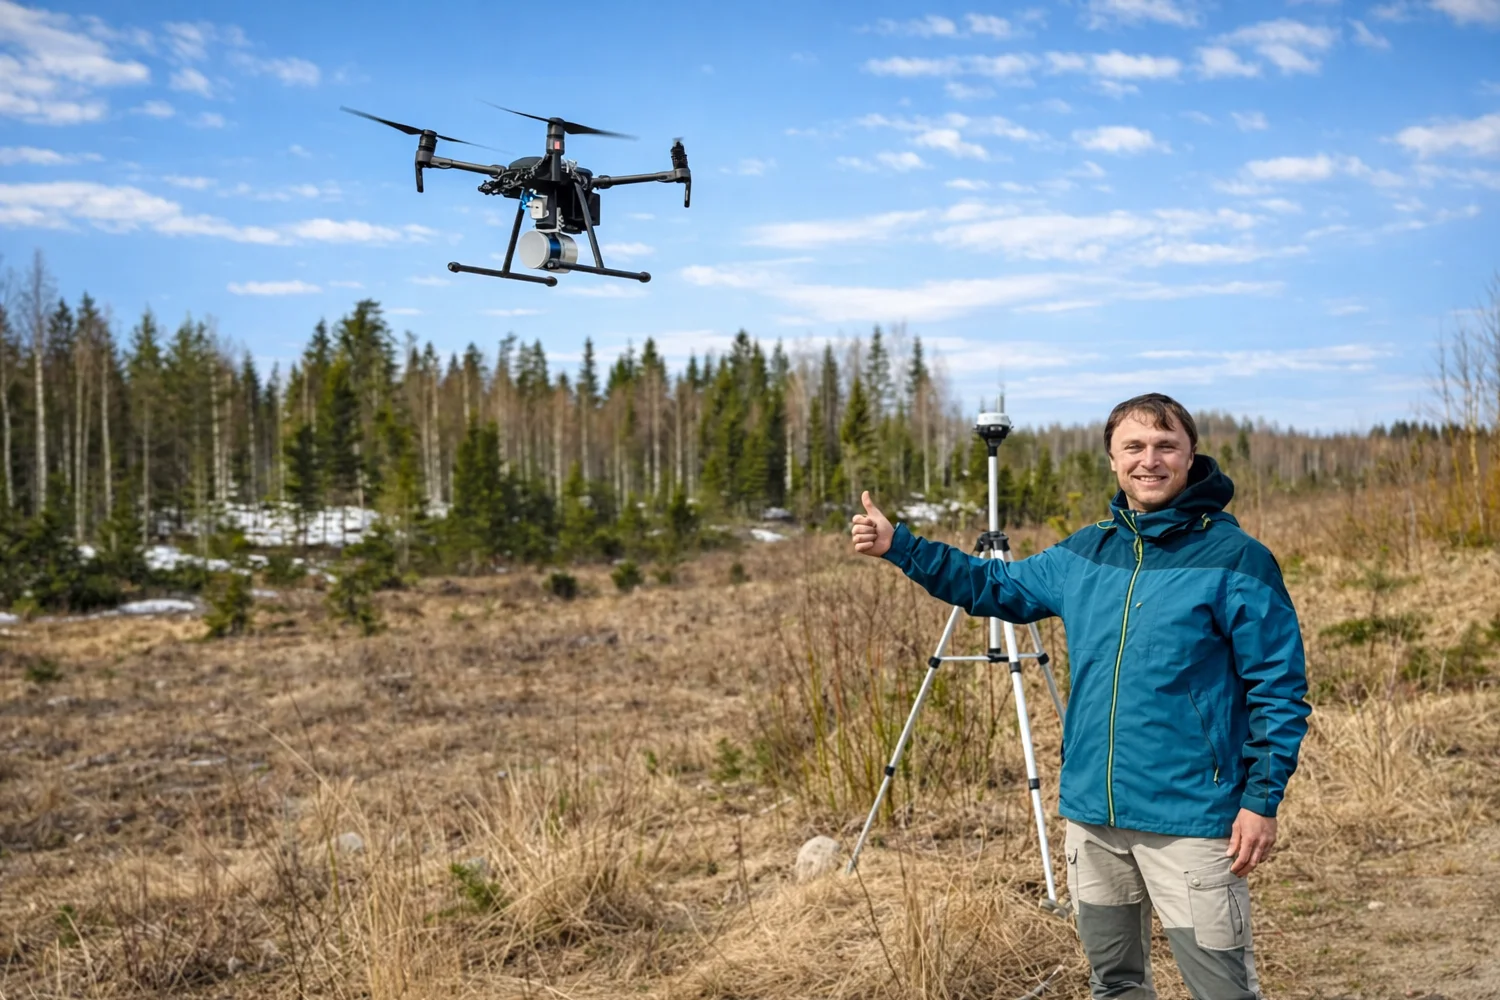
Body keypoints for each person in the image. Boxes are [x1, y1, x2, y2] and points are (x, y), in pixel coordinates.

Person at [850, 392, 1310, 1000]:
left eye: (1166, 445)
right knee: (1114, 985)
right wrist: (900, 546)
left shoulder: (1238, 561)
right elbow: (995, 586)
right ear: (1112, 460)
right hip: (1093, 817)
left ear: (1191, 455)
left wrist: (1262, 799)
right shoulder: (1084, 553)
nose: (1151, 460)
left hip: (1193, 820)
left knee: (1222, 991)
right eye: (1135, 447)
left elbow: (1278, 690)